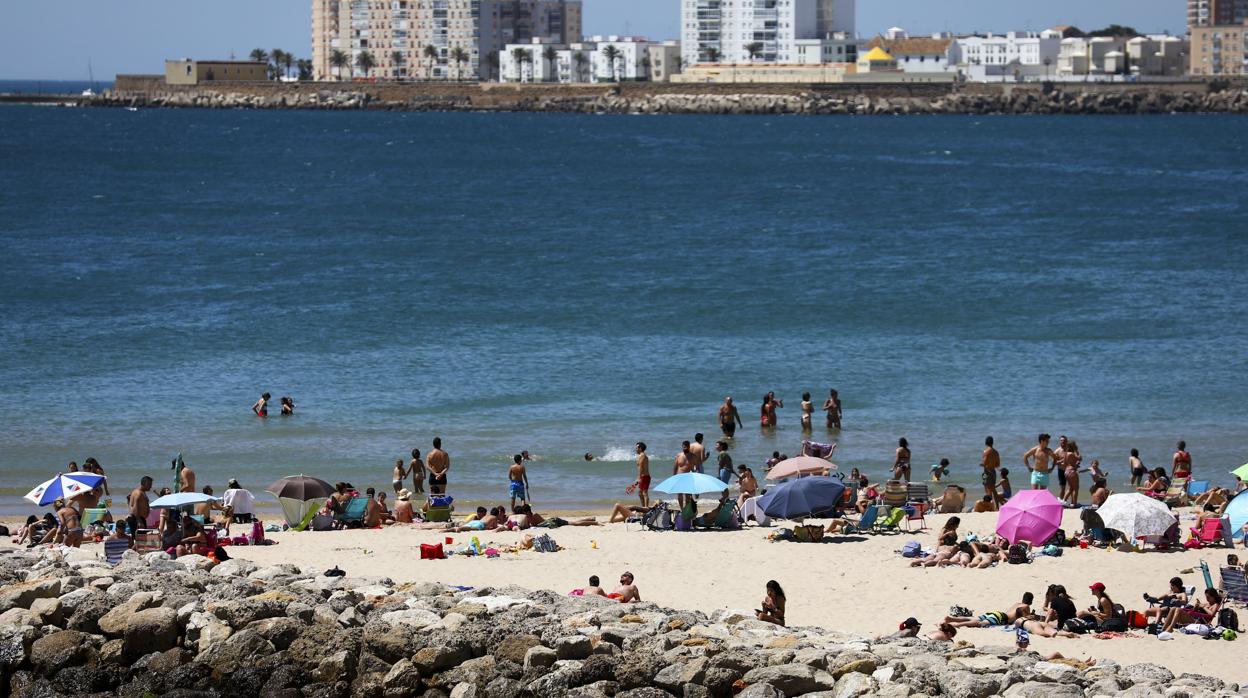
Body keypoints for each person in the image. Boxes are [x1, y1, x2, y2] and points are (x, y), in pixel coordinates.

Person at [946, 592, 1034, 628]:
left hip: (998, 613)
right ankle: (959, 624)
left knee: (974, 618)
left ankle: (951, 619)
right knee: (981, 623)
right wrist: (1032, 616)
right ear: (1030, 601)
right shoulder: (1026, 606)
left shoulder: (1017, 603)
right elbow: (1026, 618)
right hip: (1002, 618)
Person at [630, 442, 651, 507]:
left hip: (645, 477)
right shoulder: (640, 456)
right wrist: (639, 477)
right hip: (642, 476)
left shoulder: (643, 456)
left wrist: (638, 478)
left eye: (637, 448)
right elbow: (639, 467)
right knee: (640, 493)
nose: (635, 449)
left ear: (640, 448)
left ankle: (646, 508)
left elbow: (641, 467)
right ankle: (643, 507)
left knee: (644, 493)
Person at [674, 441, 693, 508]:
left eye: (686, 446)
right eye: (683, 446)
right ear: (682, 446)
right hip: (679, 476)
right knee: (679, 494)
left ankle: (686, 508)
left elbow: (695, 468)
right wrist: (674, 477)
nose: (684, 448)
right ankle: (682, 509)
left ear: (689, 447)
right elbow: (675, 467)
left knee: (688, 495)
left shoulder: (692, 456)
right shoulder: (679, 455)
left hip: (688, 477)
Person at [1063, 440, 1082, 506]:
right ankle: (1074, 503)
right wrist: (1076, 450)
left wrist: (1075, 465)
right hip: (1072, 471)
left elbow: (1065, 463)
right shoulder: (1071, 453)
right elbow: (1079, 458)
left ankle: (1064, 501)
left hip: (1066, 471)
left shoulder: (1066, 453)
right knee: (1076, 488)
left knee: (1071, 488)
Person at [1054, 436, 1071, 501]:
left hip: (1069, 470)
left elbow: (1076, 458)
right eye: (1061, 440)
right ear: (1059, 441)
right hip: (1061, 470)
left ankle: (1072, 502)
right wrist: (1061, 461)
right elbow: (1054, 462)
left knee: (1071, 487)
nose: (1063, 442)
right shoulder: (1057, 451)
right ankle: (1061, 501)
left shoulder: (1070, 449)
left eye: (1064, 440)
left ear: (1067, 441)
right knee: (1062, 488)